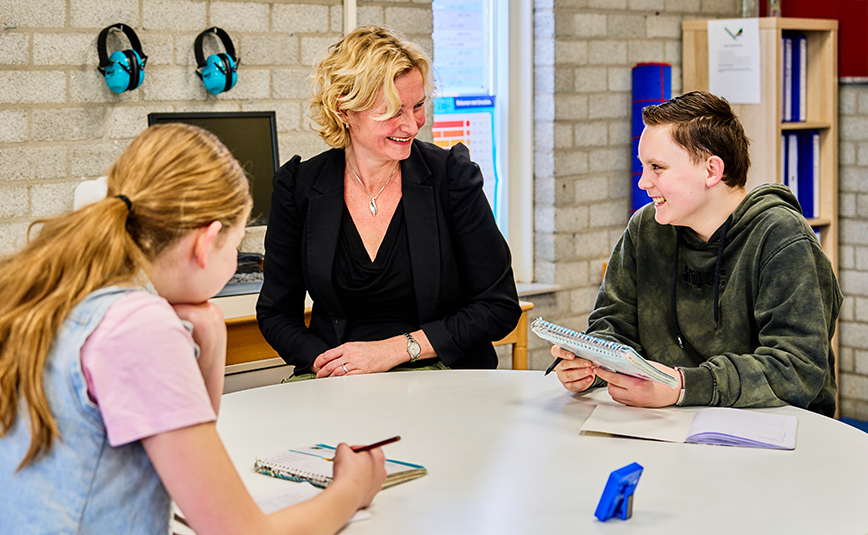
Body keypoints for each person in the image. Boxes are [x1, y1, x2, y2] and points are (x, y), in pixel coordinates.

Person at [0, 123, 387, 534]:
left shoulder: (61, 294)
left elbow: (189, 465)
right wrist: (351, 487)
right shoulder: (139, 329)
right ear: (207, 242)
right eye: (236, 244)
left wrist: (210, 334)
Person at [551, 91, 841, 416]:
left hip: (774, 430)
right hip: (667, 422)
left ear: (711, 171)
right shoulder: (645, 229)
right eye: (643, 167)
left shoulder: (781, 237)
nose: (644, 182)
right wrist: (592, 363)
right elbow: (614, 324)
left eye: (657, 167)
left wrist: (683, 385)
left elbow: (797, 368)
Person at [257, 25, 521, 379]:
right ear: (344, 110)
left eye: (418, 106)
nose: (412, 126)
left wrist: (395, 351)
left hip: (441, 376)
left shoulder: (452, 177)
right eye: (393, 111)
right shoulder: (298, 187)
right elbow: (276, 314)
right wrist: (332, 363)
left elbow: (498, 306)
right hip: (339, 380)